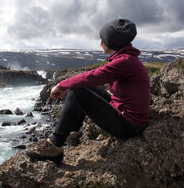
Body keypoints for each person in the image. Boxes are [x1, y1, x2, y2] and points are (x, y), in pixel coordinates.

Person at [26, 19, 151, 163]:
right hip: (124, 112)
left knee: (77, 92)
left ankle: (55, 145)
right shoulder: (126, 59)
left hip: (129, 125)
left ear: (110, 42)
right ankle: (72, 133)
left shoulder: (125, 62)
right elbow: (90, 79)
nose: (100, 42)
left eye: (102, 39)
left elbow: (91, 77)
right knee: (80, 87)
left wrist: (62, 85)